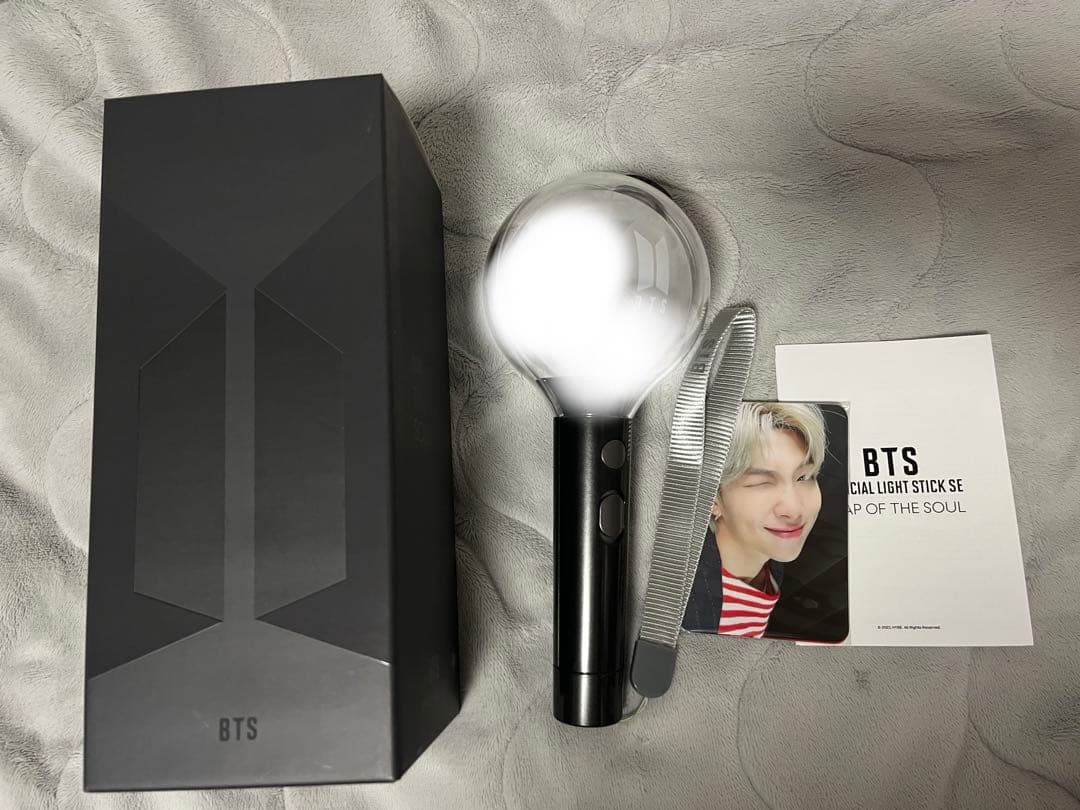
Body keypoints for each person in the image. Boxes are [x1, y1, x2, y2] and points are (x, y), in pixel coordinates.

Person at [682, 402, 826, 638]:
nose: (794, 510)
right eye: (762, 483)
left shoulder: (773, 567)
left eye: (804, 477)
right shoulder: (683, 603)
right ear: (712, 498)